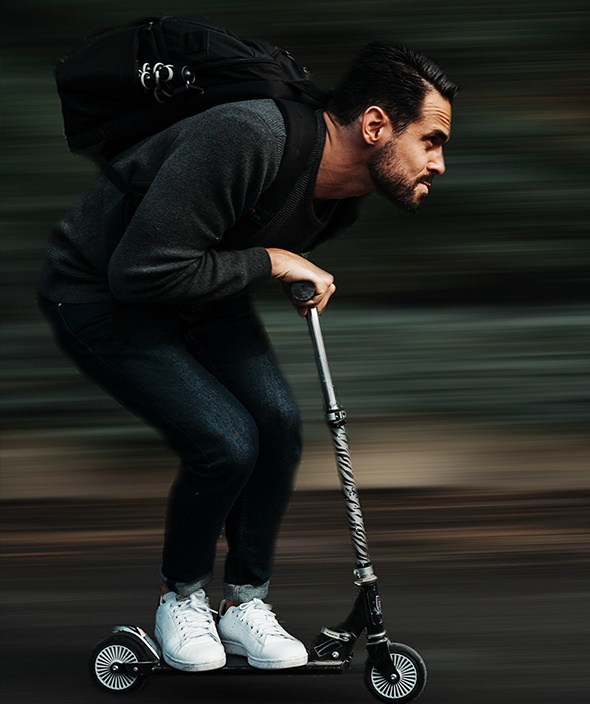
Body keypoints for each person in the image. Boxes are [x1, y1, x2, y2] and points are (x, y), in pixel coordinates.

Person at [38, 41, 457, 672]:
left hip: (197, 292)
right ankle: (180, 599)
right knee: (227, 441)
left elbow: (221, 251)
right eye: (430, 140)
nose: (440, 162)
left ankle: (244, 607)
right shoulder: (247, 137)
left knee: (279, 429)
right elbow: (139, 272)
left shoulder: (341, 201)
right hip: (102, 293)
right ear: (375, 126)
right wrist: (272, 263)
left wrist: (272, 267)